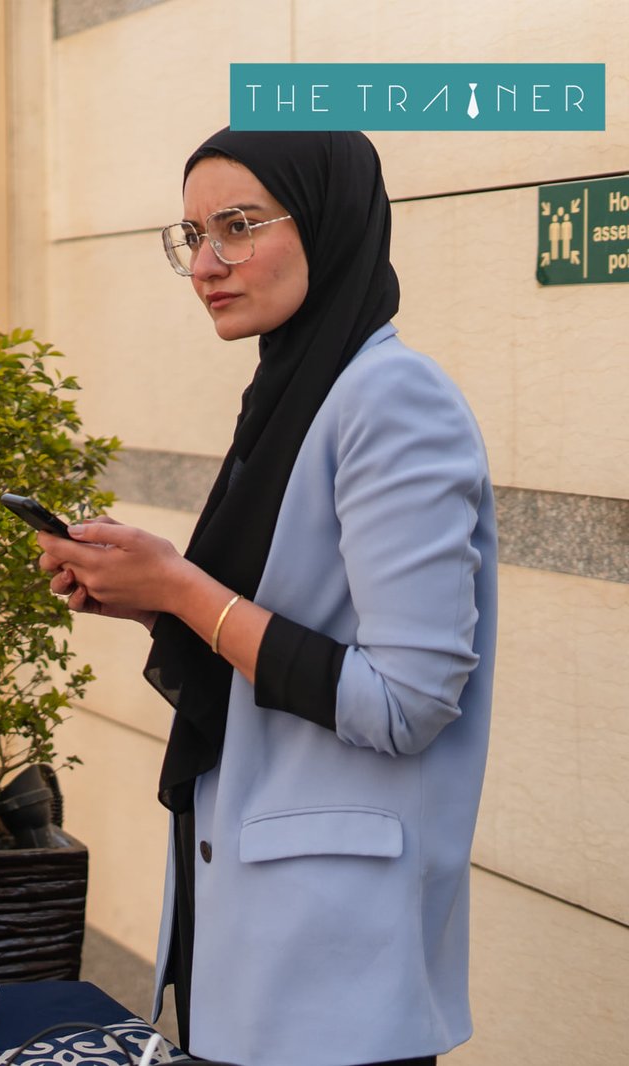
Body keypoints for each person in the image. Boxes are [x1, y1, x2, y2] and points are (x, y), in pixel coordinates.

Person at [37, 130, 496, 1066]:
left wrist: (180, 586)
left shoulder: (392, 400)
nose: (207, 264)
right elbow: (287, 619)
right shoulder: (298, 392)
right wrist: (151, 595)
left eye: (238, 227)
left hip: (336, 953)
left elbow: (405, 703)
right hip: (257, 916)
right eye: (193, 235)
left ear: (327, 224)